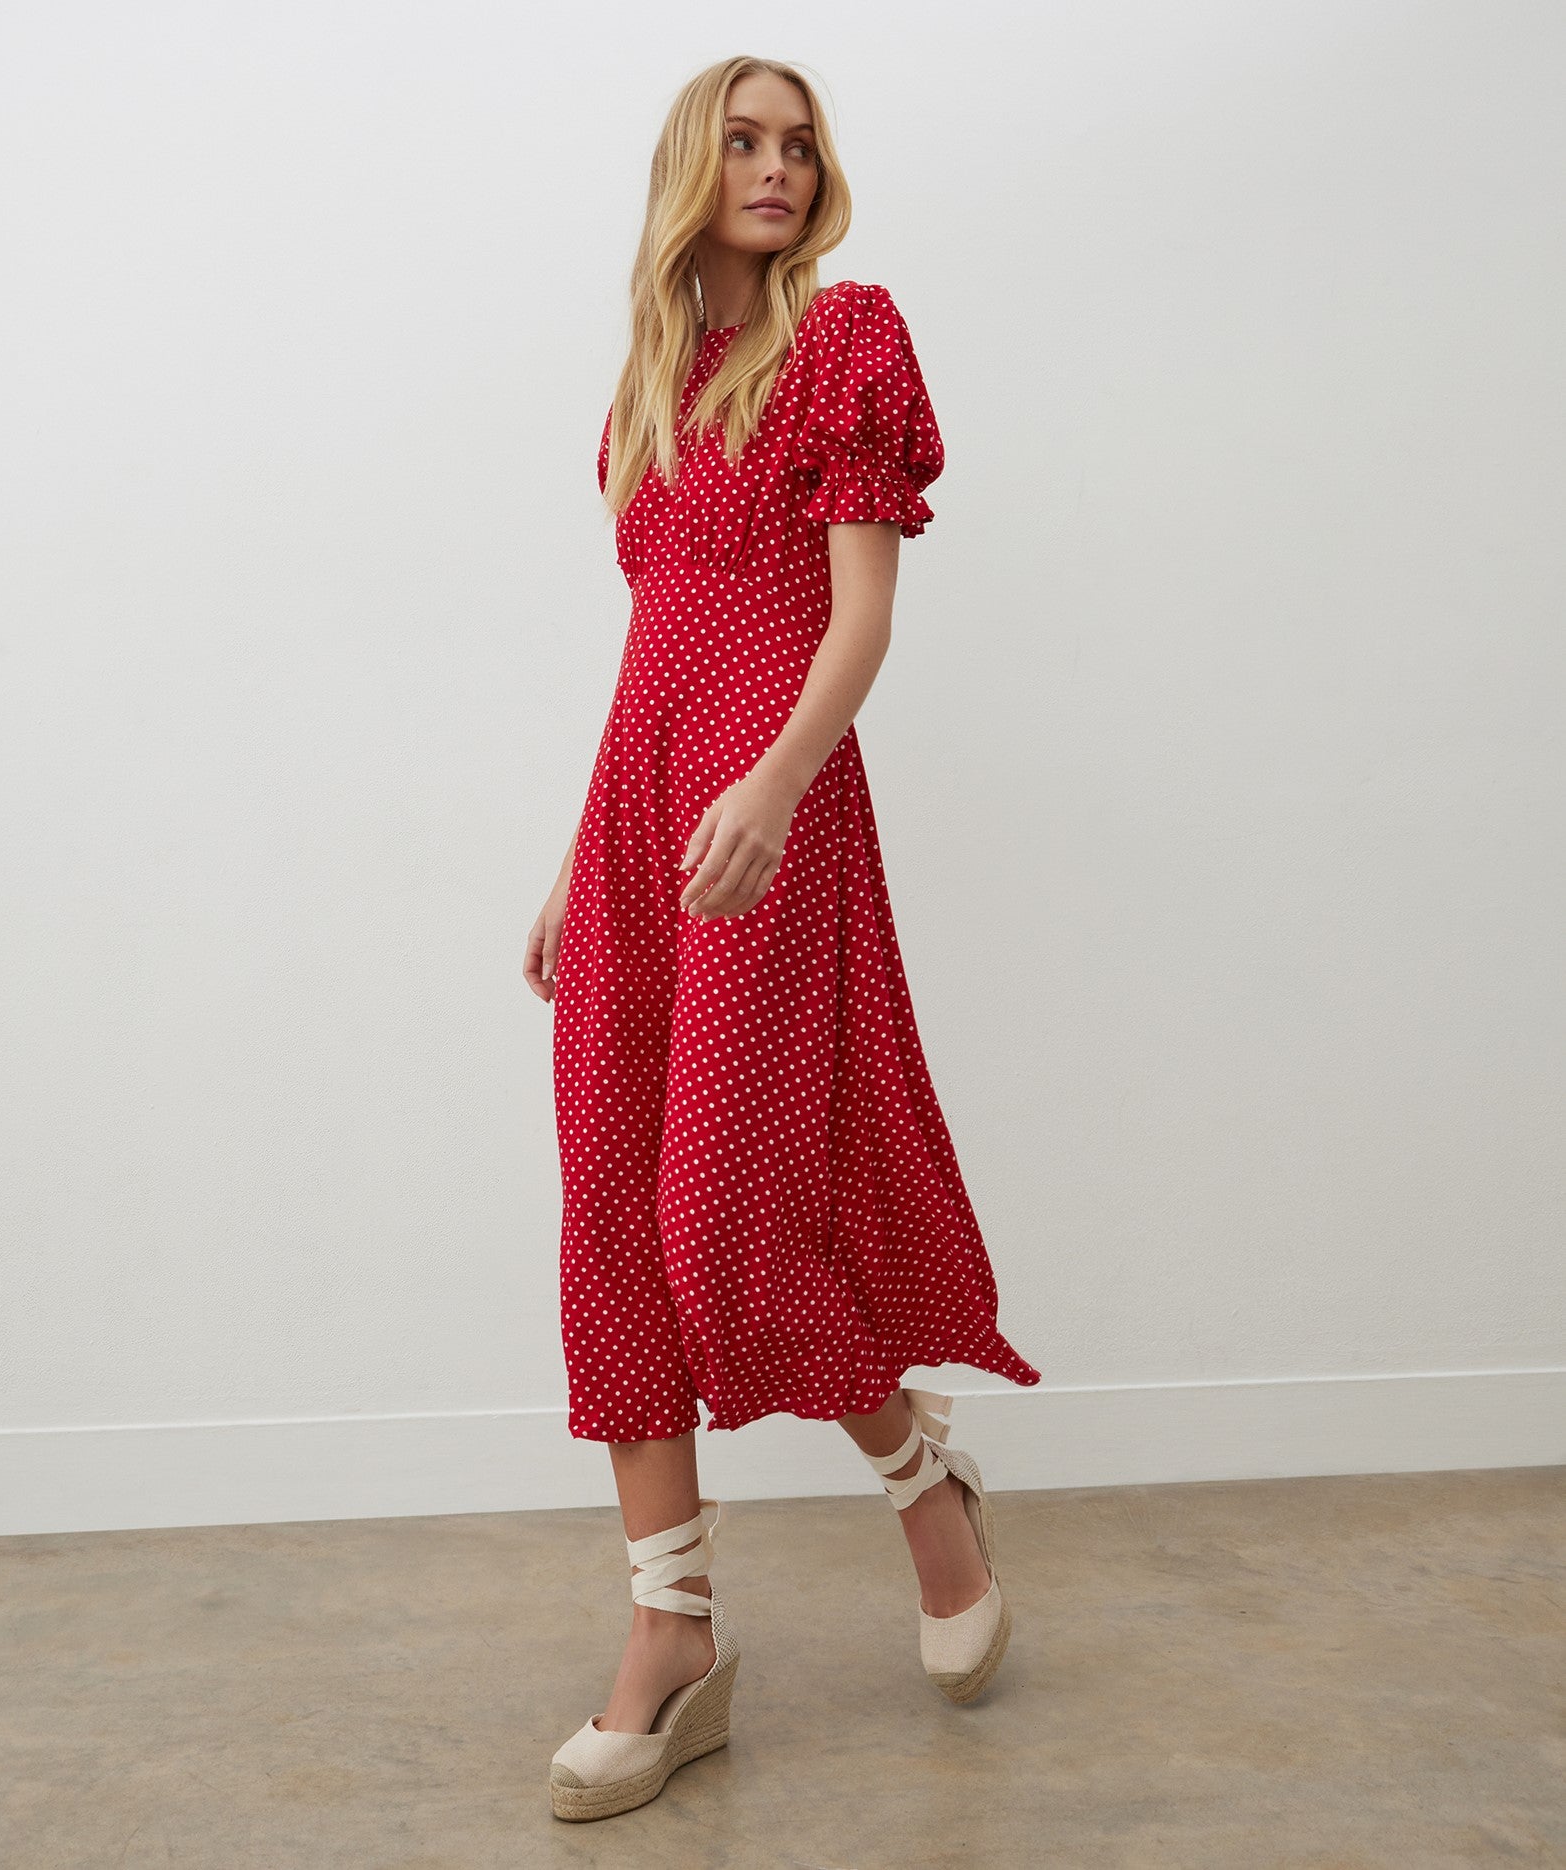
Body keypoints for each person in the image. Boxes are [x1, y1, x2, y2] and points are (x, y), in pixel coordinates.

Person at [522, 55, 1043, 1822]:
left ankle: (922, 1480)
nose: (775, 165)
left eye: (797, 142)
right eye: (741, 141)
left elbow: (862, 617)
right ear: (690, 167)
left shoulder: (849, 339)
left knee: (723, 1213)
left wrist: (771, 781)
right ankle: (671, 1633)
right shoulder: (652, 387)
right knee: (611, 1203)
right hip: (639, 826)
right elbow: (650, 649)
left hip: (776, 812)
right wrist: (576, 857)